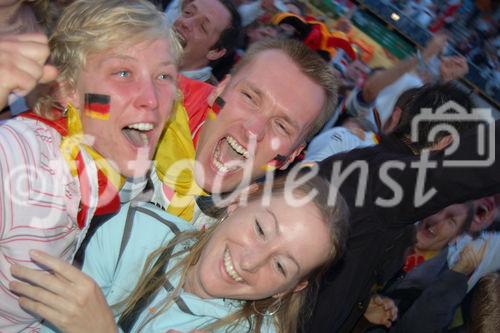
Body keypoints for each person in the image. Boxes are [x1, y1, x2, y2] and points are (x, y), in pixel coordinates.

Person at [0, 0, 181, 330]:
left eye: (164, 75)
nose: (152, 99)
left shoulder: (97, 174)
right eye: (123, 72)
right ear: (69, 88)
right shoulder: (21, 157)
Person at [10, 174, 349, 333]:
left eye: (279, 265)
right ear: (240, 200)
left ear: (290, 288)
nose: (248, 263)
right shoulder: (138, 229)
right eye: (261, 229)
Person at [305, 83, 500, 332]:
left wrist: (361, 306)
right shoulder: (391, 181)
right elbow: (478, 163)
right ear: (447, 144)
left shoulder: (362, 162)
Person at [152, 38, 338, 223]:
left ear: (291, 156)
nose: (254, 130)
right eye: (249, 97)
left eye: (281, 126)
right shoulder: (146, 103)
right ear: (220, 89)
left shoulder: (259, 232)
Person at [172, 0, 242, 83]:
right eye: (188, 13)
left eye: (202, 27)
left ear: (215, 52)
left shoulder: (206, 95)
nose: (185, 23)